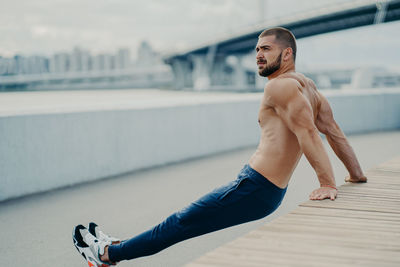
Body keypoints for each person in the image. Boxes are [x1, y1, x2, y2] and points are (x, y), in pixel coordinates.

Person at [72, 27, 367, 267]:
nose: (258, 55)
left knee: (180, 222)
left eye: (266, 49)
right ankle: (114, 247)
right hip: (265, 191)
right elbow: (334, 131)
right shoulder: (308, 86)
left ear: (287, 53)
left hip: (255, 187)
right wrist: (356, 174)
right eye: (256, 50)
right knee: (183, 222)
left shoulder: (279, 86)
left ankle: (105, 255)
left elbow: (311, 134)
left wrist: (327, 183)